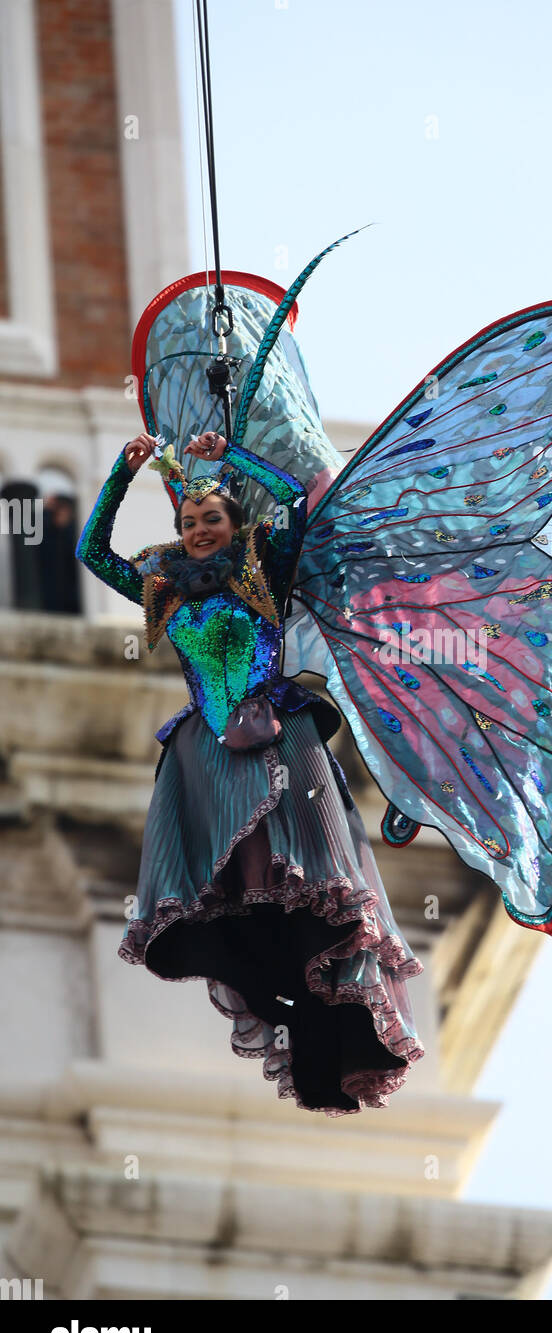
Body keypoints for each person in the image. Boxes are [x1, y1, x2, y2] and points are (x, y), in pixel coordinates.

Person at [75, 427, 424, 1116]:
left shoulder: (261, 565)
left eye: (211, 518)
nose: (199, 529)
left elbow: (296, 500)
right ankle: (277, 988)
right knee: (236, 887)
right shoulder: (162, 584)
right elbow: (92, 551)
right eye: (188, 521)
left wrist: (225, 455)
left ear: (234, 523)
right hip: (206, 748)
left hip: (279, 731)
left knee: (310, 874)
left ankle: (336, 1007)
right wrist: (123, 473)